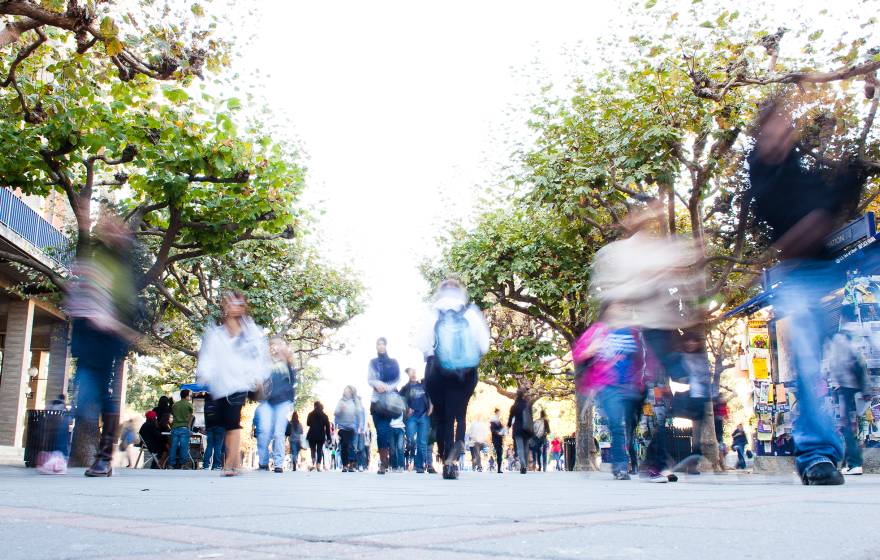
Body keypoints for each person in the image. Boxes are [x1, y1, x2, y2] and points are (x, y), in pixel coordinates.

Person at [748, 101, 865, 485]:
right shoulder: (764, 180)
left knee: (854, 352)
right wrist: (818, 217)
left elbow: (832, 204)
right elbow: (793, 221)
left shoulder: (806, 174)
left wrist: (850, 178)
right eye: (770, 132)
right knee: (809, 366)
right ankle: (817, 455)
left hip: (833, 274)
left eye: (784, 128)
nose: (779, 137)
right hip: (797, 280)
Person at [65, 213, 140, 477]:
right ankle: (96, 456)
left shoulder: (124, 264)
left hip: (108, 336)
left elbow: (126, 301)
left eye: (116, 228)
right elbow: (81, 288)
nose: (110, 231)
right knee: (85, 396)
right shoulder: (98, 257)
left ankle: (104, 457)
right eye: (106, 227)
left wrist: (115, 323)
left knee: (99, 394)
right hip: (87, 333)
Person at [416, 278, 490, 479]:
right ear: (460, 292)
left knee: (442, 417)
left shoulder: (432, 312)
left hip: (436, 370)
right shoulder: (470, 312)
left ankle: (444, 455)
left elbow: (421, 342)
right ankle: (454, 457)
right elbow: (484, 344)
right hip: (464, 373)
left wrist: (431, 354)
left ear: (440, 292)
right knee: (459, 414)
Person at [196, 292, 272, 476]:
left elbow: (260, 357)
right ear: (225, 306)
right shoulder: (216, 333)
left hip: (241, 382)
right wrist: (203, 376)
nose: (234, 306)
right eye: (230, 303)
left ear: (243, 307)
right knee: (225, 423)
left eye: (238, 303)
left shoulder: (251, 333)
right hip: (221, 384)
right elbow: (207, 357)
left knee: (232, 420)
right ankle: (236, 461)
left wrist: (260, 377)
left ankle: (229, 463)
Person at [573, 302, 651, 481]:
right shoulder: (598, 331)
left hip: (630, 386)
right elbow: (579, 353)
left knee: (629, 427)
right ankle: (621, 467)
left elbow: (640, 358)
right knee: (617, 424)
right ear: (607, 310)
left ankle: (624, 464)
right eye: (617, 307)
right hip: (607, 385)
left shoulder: (631, 332)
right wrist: (593, 348)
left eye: (623, 307)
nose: (621, 310)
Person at [825, 326, 869, 475]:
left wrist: (835, 383)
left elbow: (838, 366)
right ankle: (849, 463)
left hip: (845, 389)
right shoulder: (848, 338)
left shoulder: (837, 341)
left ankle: (854, 463)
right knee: (849, 427)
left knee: (846, 427)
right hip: (853, 388)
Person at [256, 336, 297, 473]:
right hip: (266, 401)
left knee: (279, 433)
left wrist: (291, 401)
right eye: (273, 345)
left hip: (282, 401)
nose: (276, 347)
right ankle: (263, 462)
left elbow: (292, 383)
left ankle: (278, 464)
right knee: (264, 432)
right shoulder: (264, 363)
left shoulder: (287, 364)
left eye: (279, 345)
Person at [368, 337, 402, 475]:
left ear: (386, 346)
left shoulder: (393, 362)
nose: (381, 346)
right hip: (376, 401)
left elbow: (398, 378)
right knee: (380, 433)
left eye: (383, 344)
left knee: (384, 431)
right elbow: (369, 379)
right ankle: (384, 458)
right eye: (378, 344)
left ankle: (383, 462)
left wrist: (387, 387)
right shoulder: (373, 362)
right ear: (376, 346)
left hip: (389, 403)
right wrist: (377, 384)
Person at [400, 367, 433, 473]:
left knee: (422, 442)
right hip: (412, 417)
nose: (413, 373)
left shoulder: (423, 385)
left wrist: (431, 407)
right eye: (411, 372)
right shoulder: (405, 388)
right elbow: (399, 400)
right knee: (411, 440)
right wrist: (406, 408)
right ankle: (411, 457)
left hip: (423, 415)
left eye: (415, 371)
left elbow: (430, 396)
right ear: (408, 375)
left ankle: (419, 466)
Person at [335, 386, 361, 472]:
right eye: (345, 390)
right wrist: (340, 410)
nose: (346, 392)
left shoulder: (354, 402)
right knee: (344, 446)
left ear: (351, 393)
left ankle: (352, 463)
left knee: (350, 445)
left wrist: (360, 425)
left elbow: (359, 413)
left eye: (348, 391)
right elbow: (335, 412)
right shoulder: (341, 401)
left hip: (351, 427)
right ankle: (345, 465)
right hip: (342, 428)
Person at [508, 390, 534, 475]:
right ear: (523, 396)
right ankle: (525, 465)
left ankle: (523, 464)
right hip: (526, 430)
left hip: (517, 429)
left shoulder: (514, 406)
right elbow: (531, 418)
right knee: (526, 447)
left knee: (520, 448)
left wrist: (508, 427)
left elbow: (510, 418)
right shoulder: (527, 405)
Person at [167, 390, 194, 469]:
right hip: (184, 428)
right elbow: (191, 416)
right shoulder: (189, 405)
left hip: (175, 428)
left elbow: (172, 417)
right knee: (184, 447)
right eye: (189, 395)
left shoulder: (175, 405)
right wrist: (189, 427)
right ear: (186, 396)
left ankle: (171, 464)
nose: (190, 397)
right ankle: (183, 464)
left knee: (173, 446)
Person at [306, 401, 331, 471]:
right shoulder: (325, 416)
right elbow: (328, 428)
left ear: (314, 406)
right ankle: (318, 466)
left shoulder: (310, 414)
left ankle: (313, 462)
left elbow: (307, 423)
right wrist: (329, 437)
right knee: (319, 450)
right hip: (321, 435)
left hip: (312, 434)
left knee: (312, 450)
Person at [202, 393, 225, 471]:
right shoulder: (221, 402)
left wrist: (206, 427)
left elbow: (205, 417)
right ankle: (216, 465)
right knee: (218, 446)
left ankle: (205, 465)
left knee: (209, 446)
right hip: (220, 427)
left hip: (210, 427)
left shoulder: (207, 404)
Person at [490, 408, 505, 474]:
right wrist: (498, 432)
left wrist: (503, 431)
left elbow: (502, 429)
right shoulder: (493, 421)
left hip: (499, 439)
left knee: (500, 453)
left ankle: (499, 468)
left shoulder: (499, 421)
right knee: (499, 452)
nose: (499, 414)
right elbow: (492, 430)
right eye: (499, 412)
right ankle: (498, 468)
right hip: (496, 439)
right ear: (496, 413)